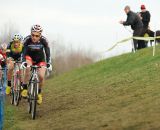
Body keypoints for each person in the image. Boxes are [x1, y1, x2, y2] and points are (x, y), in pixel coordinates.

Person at [21, 24, 52, 104]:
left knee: (41, 76)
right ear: (30, 33)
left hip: (40, 59)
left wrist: (49, 63)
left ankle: (39, 93)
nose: (34, 37)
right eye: (33, 35)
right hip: (29, 57)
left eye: (37, 36)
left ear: (40, 35)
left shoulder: (44, 40)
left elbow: (48, 53)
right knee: (27, 68)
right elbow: (23, 52)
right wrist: (23, 61)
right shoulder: (27, 39)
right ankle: (24, 88)